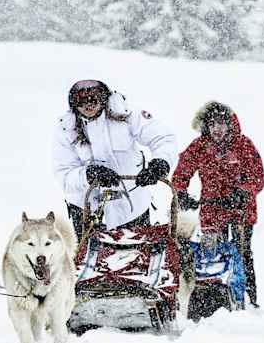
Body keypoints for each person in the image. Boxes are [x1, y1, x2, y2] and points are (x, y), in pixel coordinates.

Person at [53, 79, 177, 238]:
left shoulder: (126, 114)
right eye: (81, 100)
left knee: (137, 251)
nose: (88, 105)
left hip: (131, 207)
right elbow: (64, 174)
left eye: (94, 98)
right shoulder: (65, 129)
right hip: (87, 211)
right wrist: (88, 175)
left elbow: (163, 138)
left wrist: (160, 163)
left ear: (104, 97)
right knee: (90, 253)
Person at [171, 101, 264, 307]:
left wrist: (242, 192)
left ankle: (248, 298)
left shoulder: (243, 145)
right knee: (211, 253)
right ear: (206, 125)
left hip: (241, 210)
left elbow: (258, 177)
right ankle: (215, 299)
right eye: (212, 124)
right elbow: (181, 172)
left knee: (241, 252)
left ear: (229, 124)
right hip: (212, 209)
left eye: (221, 123)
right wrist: (181, 192)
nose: (217, 129)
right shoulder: (199, 146)